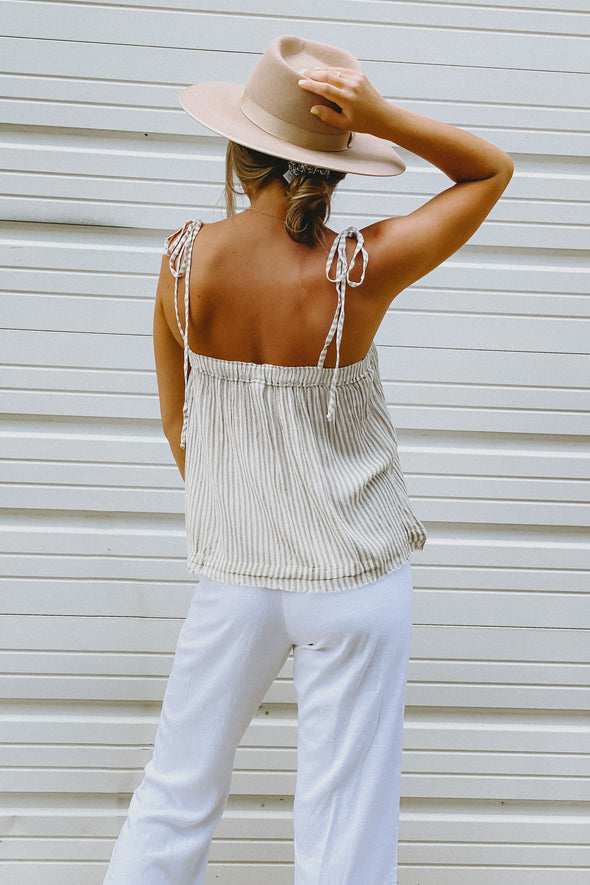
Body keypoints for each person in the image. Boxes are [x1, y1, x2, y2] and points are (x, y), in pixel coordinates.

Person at [103, 35, 513, 885]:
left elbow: (183, 430)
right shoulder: (358, 270)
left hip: (238, 572)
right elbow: (489, 172)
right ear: (335, 168)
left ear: (239, 152)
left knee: (175, 793)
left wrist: (253, 519)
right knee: (344, 828)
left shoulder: (182, 263)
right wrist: (383, 118)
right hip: (354, 578)